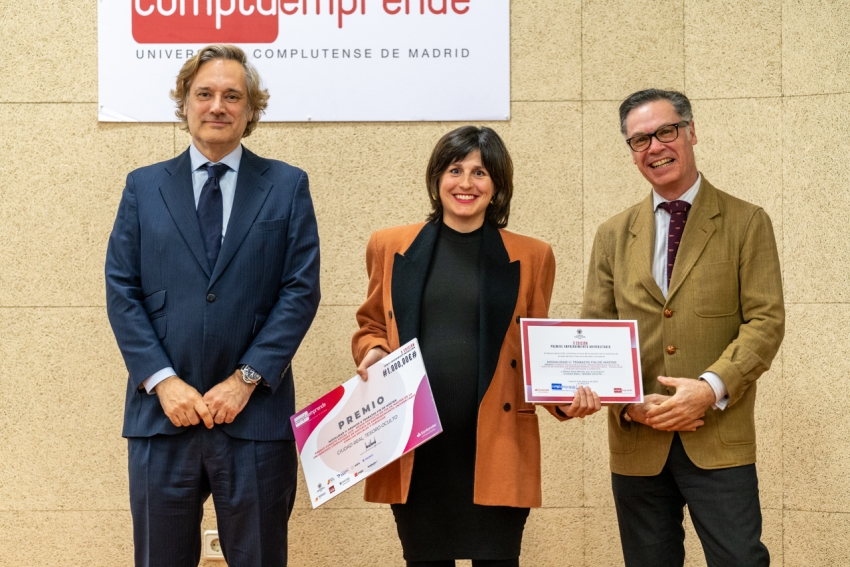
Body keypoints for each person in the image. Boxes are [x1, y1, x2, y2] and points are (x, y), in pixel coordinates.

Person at [105, 44, 320, 567]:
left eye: (232, 96)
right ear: (185, 103)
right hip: (163, 417)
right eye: (204, 94)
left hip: (255, 417)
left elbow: (300, 290)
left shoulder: (287, 185)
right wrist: (164, 382)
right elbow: (121, 289)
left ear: (251, 109)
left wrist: (245, 380)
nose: (217, 106)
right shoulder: (143, 186)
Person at [352, 126, 600, 567]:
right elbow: (372, 323)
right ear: (437, 178)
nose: (466, 183)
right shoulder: (389, 246)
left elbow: (537, 349)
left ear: (497, 185)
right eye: (455, 170)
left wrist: (566, 398)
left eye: (480, 172)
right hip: (418, 447)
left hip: (499, 444)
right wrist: (373, 352)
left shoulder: (534, 255)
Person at [581, 88, 784, 567]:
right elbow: (595, 332)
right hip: (637, 441)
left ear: (691, 132)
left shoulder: (746, 221)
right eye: (640, 140)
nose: (654, 147)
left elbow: (765, 321)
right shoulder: (612, 235)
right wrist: (629, 404)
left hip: (718, 437)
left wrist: (709, 389)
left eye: (665, 131)